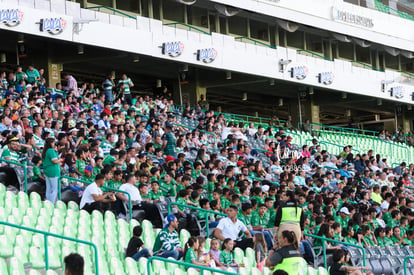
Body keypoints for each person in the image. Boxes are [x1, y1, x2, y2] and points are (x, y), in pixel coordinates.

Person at [42, 137, 62, 203]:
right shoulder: (50, 150)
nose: (54, 144)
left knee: (49, 188)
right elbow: (55, 161)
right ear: (50, 143)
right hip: (53, 172)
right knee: (54, 189)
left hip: (47, 171)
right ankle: (52, 203)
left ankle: (47, 202)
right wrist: (60, 160)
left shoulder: (45, 150)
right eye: (53, 142)